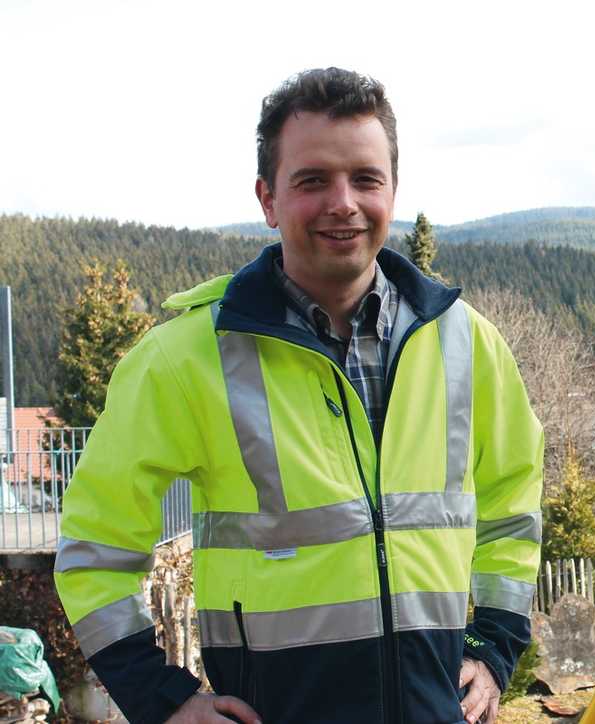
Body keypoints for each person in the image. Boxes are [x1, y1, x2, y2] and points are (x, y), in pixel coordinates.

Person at [54, 68, 544, 724]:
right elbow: (94, 547)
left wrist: (494, 648)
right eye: (313, 180)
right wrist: (160, 698)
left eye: (365, 179)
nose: (343, 203)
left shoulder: (466, 343)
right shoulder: (184, 359)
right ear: (268, 198)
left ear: (392, 190)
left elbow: (512, 505)